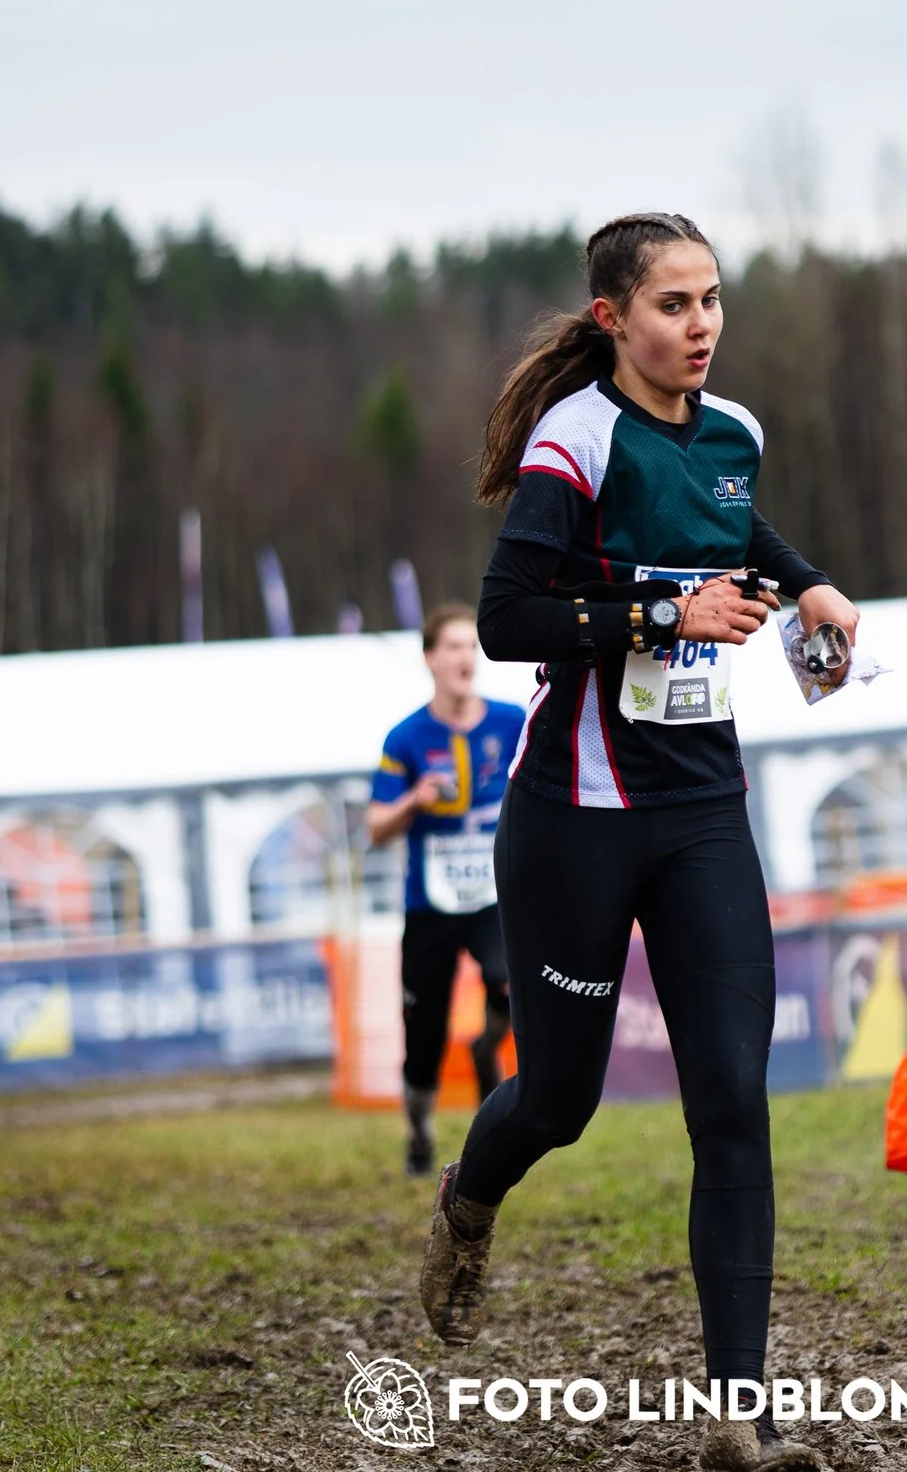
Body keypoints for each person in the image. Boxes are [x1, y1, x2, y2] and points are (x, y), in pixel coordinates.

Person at [416, 213, 857, 1472]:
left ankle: (738, 1413)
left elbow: (730, 526)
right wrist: (666, 610)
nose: (702, 323)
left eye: (712, 299)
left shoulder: (736, 433)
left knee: (732, 1099)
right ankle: (467, 1198)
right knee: (561, 1097)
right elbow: (508, 617)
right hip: (574, 816)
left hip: (701, 810)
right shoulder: (576, 437)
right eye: (673, 304)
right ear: (614, 317)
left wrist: (807, 581)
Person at [367, 603, 526, 1177]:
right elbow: (376, 828)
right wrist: (415, 799)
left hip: (491, 895)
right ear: (431, 659)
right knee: (424, 1038)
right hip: (429, 907)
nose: (466, 657)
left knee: (511, 983)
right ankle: (419, 1132)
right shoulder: (406, 738)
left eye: (471, 645)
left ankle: (487, 1045)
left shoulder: (510, 721)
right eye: (453, 647)